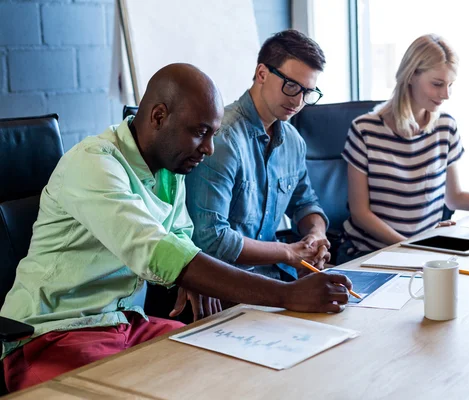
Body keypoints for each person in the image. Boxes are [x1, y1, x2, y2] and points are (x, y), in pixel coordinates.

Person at [0, 63, 352, 392]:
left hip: (125, 323)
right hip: (49, 335)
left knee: (221, 372)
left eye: (213, 134)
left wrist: (192, 275)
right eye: (200, 133)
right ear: (158, 116)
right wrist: (287, 294)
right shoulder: (93, 163)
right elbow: (160, 251)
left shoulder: (169, 170)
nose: (209, 149)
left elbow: (180, 236)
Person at [338, 34, 469, 263]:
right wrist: (408, 247)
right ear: (411, 76)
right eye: (437, 84)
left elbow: (455, 198)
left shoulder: (445, 126)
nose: (446, 95)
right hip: (372, 254)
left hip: (424, 251)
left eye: (450, 85)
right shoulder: (365, 129)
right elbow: (360, 214)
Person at [185, 30, 330, 281]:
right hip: (227, 283)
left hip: (276, 278)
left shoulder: (293, 142)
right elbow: (210, 238)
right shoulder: (222, 139)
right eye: (292, 86)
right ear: (262, 73)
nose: (298, 100)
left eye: (308, 92)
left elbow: (305, 203)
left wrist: (316, 235)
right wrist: (286, 252)